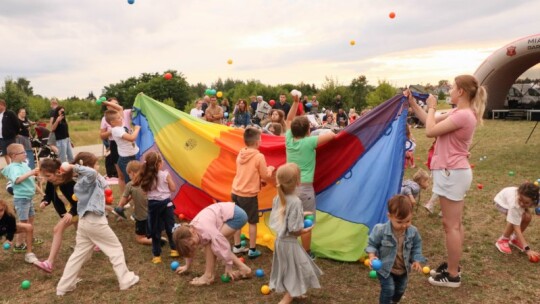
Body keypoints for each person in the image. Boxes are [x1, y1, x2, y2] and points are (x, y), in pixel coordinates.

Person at [406, 74, 487, 287]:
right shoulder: (459, 112)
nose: (449, 91)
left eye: (452, 87)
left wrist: (432, 106)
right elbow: (428, 122)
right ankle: (453, 265)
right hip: (451, 172)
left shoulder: (463, 115)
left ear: (460, 91)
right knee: (453, 224)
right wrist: (414, 103)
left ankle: (452, 275)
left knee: (451, 225)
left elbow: (429, 132)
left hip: (452, 173)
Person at [56, 152, 139, 296]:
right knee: (115, 248)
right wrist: (73, 166)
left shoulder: (86, 179)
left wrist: (75, 167)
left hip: (85, 222)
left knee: (79, 254)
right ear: (87, 167)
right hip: (94, 222)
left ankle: (64, 286)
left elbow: (103, 182)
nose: (98, 166)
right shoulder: (87, 178)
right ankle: (125, 280)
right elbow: (92, 173)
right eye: (95, 164)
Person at [285, 94, 336, 258]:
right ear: (309, 130)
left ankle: (290, 249)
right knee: (306, 222)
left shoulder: (288, 141)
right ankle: (307, 253)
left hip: (289, 188)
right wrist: (318, 133)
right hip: (305, 189)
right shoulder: (309, 142)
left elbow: (288, 119)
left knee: (292, 219)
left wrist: (295, 102)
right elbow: (332, 136)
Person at [269, 163, 322, 303]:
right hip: (289, 243)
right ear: (298, 182)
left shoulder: (278, 198)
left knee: (293, 267)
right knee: (295, 268)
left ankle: (296, 291)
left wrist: (301, 214)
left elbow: (282, 216)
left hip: (280, 242)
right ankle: (287, 298)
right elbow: (294, 230)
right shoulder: (296, 201)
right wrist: (304, 230)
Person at [173, 202, 253, 285]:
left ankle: (209, 276)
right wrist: (187, 266)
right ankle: (243, 269)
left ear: (192, 232)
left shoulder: (206, 229)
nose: (194, 246)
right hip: (229, 213)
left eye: (193, 244)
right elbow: (188, 250)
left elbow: (223, 246)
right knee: (211, 242)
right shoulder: (189, 232)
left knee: (213, 243)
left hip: (236, 216)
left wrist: (228, 265)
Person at [365, 195, 426, 304]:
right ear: (389, 216)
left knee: (400, 289)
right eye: (399, 222)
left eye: (407, 221)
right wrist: (372, 256)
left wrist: (416, 260)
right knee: (389, 289)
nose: (404, 225)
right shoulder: (381, 230)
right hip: (385, 269)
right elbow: (372, 244)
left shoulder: (413, 232)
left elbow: (417, 246)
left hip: (403, 270)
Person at [231, 127, 275, 258]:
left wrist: (258, 179)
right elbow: (265, 175)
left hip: (235, 191)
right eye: (260, 138)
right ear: (257, 142)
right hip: (248, 195)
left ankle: (237, 246)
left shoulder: (241, 153)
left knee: (236, 219)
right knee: (252, 222)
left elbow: (248, 172)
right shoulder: (258, 156)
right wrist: (270, 169)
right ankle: (252, 249)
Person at [132, 151, 178, 263]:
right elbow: (173, 188)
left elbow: (144, 192)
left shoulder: (146, 176)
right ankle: (174, 250)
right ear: (159, 164)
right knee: (170, 227)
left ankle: (156, 256)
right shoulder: (165, 174)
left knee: (155, 230)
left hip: (153, 206)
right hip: (166, 205)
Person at [34, 158, 78, 273]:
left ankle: (49, 262)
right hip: (67, 211)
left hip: (76, 210)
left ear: (58, 172)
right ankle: (93, 244)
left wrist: (72, 212)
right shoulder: (51, 182)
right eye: (45, 176)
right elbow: (48, 194)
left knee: (57, 229)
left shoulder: (69, 183)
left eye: (48, 176)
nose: (47, 179)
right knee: (80, 228)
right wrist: (45, 201)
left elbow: (80, 202)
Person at [2, 143, 41, 253]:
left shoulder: (23, 164)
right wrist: (31, 173)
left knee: (31, 218)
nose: (25, 154)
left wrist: (36, 177)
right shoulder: (14, 167)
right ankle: (19, 244)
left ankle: (30, 238)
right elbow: (17, 180)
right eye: (22, 152)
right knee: (23, 222)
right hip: (21, 199)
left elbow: (29, 177)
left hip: (28, 197)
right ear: (14, 156)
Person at [494, 182, 540, 260]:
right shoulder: (515, 205)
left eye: (526, 202)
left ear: (533, 200)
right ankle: (502, 240)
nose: (522, 204)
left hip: (513, 201)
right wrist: (527, 249)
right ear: (518, 194)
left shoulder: (536, 198)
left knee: (527, 217)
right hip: (502, 203)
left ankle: (514, 239)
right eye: (520, 200)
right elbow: (516, 227)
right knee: (515, 220)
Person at [113, 160, 154, 246]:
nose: (129, 176)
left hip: (142, 218)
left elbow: (123, 202)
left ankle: (154, 240)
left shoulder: (130, 185)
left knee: (139, 238)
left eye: (129, 174)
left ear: (132, 173)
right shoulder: (148, 182)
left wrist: (119, 207)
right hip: (153, 215)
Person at [105, 108, 141, 195]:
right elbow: (132, 138)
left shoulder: (121, 127)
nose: (121, 118)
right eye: (118, 118)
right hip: (127, 159)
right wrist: (137, 129)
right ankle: (131, 200)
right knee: (131, 181)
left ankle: (135, 197)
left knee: (137, 177)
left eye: (120, 117)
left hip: (133, 155)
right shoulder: (116, 130)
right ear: (112, 122)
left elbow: (120, 109)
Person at [0, 199, 39, 264]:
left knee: (29, 227)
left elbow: (11, 229)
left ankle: (29, 254)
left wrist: (8, 239)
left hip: (6, 229)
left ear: (4, 208)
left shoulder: (9, 216)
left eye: (1, 210)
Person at [0, 99, 20, 165]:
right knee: (5, 153)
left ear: (3, 105)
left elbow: (17, 124)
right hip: (1, 138)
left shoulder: (10, 113)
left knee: (12, 152)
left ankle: (14, 165)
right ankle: (9, 166)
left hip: (10, 137)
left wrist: (16, 133)